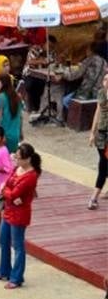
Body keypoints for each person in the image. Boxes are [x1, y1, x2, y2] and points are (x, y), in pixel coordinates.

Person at [0, 143, 41, 289]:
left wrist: (5, 192)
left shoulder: (31, 176)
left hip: (20, 214)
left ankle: (17, 277)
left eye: (19, 158)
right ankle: (4, 270)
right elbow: (8, 186)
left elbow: (12, 193)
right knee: (3, 240)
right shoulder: (17, 169)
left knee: (18, 245)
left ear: (27, 159)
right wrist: (9, 194)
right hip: (10, 209)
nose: (16, 161)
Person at [55, 41, 107, 120]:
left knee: (65, 100)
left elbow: (73, 76)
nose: (86, 51)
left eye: (87, 49)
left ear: (91, 50)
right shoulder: (105, 62)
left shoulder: (89, 60)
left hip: (86, 93)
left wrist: (62, 74)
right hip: (99, 92)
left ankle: (76, 118)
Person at [88, 72, 108, 210]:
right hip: (101, 133)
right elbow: (98, 111)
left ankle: (94, 197)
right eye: (105, 79)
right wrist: (92, 132)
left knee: (103, 165)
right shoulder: (101, 93)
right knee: (103, 160)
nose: (106, 81)